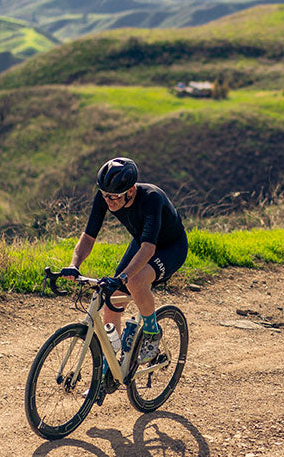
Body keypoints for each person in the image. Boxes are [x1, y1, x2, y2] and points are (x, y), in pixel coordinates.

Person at [63, 157, 189, 372]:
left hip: (170, 247)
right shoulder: (105, 195)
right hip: (142, 242)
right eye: (104, 194)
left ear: (130, 191)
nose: (108, 201)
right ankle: (109, 368)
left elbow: (149, 249)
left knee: (135, 281)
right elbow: (88, 237)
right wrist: (74, 265)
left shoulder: (152, 198)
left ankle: (151, 331)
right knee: (112, 301)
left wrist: (124, 277)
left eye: (113, 196)